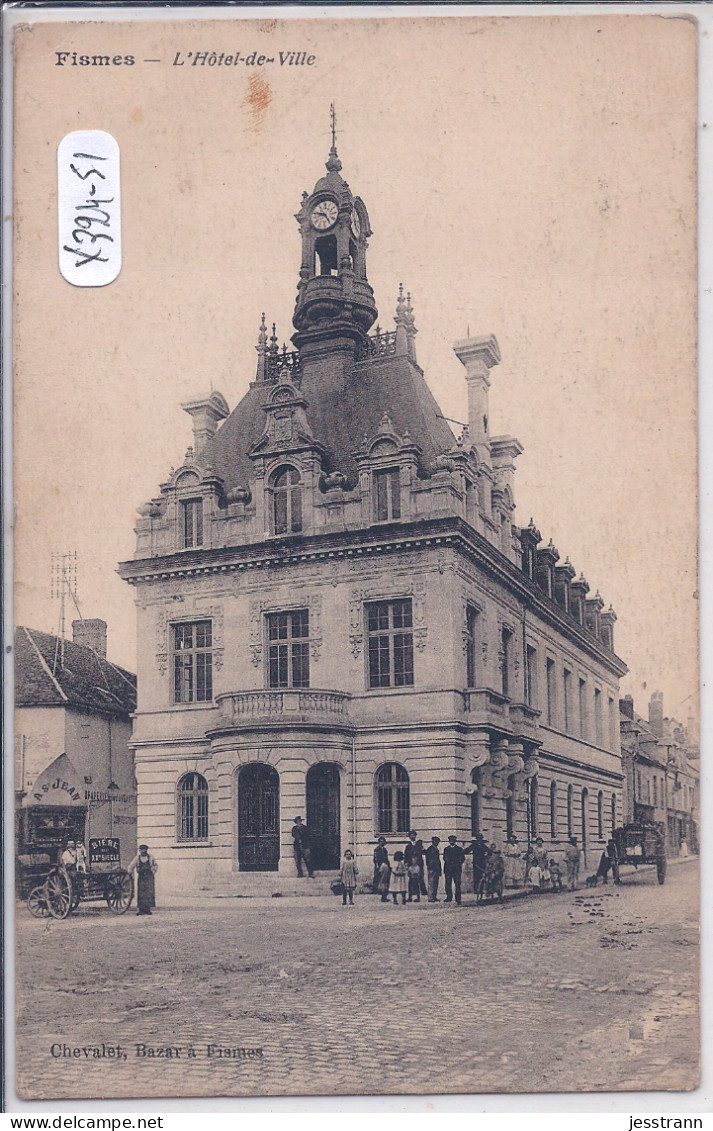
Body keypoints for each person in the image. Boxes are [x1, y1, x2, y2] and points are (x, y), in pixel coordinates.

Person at [127, 844, 158, 916]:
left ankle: (148, 910)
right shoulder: (137, 858)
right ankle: (141, 910)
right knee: (141, 893)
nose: (142, 852)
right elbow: (131, 865)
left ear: (146, 850)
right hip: (141, 877)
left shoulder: (150, 857)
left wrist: (153, 871)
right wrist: (129, 870)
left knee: (149, 893)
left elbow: (155, 865)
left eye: (143, 850)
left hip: (149, 877)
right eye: (140, 850)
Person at [443, 835, 465, 905]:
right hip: (448, 870)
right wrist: (448, 861)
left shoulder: (459, 849)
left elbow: (462, 858)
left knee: (457, 884)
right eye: (450, 840)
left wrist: (458, 863)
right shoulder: (446, 849)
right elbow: (444, 858)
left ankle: (458, 899)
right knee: (448, 884)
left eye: (453, 840)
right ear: (449, 841)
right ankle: (449, 897)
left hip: (456, 870)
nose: (451, 841)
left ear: (455, 841)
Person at [404, 831, 428, 896]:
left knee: (420, 877)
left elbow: (424, 852)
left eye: (414, 835)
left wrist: (423, 848)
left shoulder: (419, 844)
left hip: (419, 863)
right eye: (411, 835)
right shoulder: (408, 846)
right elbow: (406, 856)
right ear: (409, 837)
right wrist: (406, 864)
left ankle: (423, 891)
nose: (412, 836)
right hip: (411, 864)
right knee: (412, 878)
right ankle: (412, 892)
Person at [425, 837, 442, 902]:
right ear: (432, 841)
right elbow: (428, 860)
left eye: (437, 842)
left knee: (435, 883)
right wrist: (430, 867)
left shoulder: (436, 849)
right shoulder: (430, 849)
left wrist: (439, 869)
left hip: (436, 868)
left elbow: (438, 860)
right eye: (435, 841)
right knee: (431, 883)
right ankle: (430, 897)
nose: (436, 843)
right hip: (432, 869)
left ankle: (434, 896)